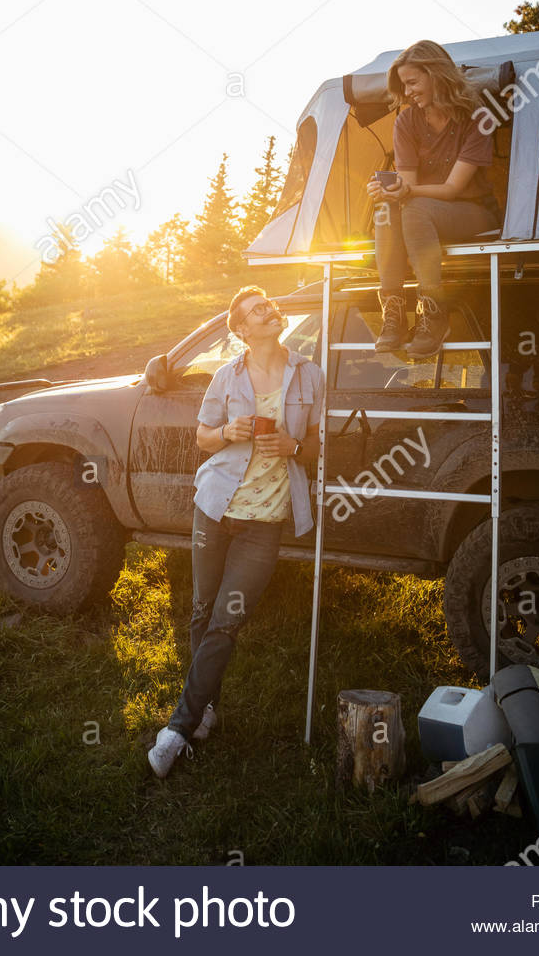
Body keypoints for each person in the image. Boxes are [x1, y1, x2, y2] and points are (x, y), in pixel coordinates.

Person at [147, 286, 325, 778]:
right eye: (257, 309)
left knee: (227, 618)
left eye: (269, 305)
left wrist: (291, 445)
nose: (270, 311)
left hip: (262, 523)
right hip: (214, 508)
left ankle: (177, 728)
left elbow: (318, 444)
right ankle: (205, 707)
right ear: (242, 330)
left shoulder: (309, 374)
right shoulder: (227, 377)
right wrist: (228, 432)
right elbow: (203, 436)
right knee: (203, 609)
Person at [366, 39, 500, 358]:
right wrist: (390, 191)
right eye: (403, 85)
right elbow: (408, 186)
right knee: (385, 208)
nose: (408, 92)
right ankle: (394, 311)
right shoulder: (407, 121)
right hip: (424, 211)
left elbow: (453, 188)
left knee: (414, 208)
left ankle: (433, 311)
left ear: (436, 75)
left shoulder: (476, 117)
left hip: (474, 211)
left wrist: (406, 191)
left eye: (412, 82)